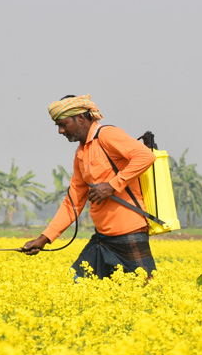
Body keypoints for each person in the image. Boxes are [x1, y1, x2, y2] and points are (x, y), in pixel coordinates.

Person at [23, 94, 157, 279]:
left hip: (129, 234)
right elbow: (73, 203)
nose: (61, 131)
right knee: (78, 285)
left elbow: (145, 156)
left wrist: (113, 185)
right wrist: (44, 239)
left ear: (80, 118)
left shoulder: (107, 135)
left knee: (147, 294)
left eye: (63, 124)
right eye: (58, 126)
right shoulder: (81, 153)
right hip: (102, 239)